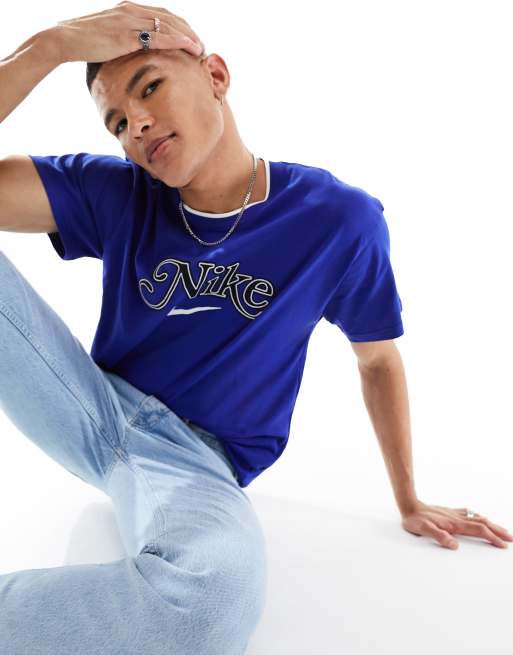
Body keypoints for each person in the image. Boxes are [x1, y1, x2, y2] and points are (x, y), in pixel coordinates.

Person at [0, 2, 511, 654]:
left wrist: (408, 498)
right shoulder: (114, 192)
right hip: (86, 406)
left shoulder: (335, 221)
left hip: (194, 461)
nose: (137, 125)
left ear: (215, 75)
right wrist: (48, 46)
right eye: (118, 123)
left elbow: (378, 360)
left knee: (205, 611)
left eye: (149, 88)